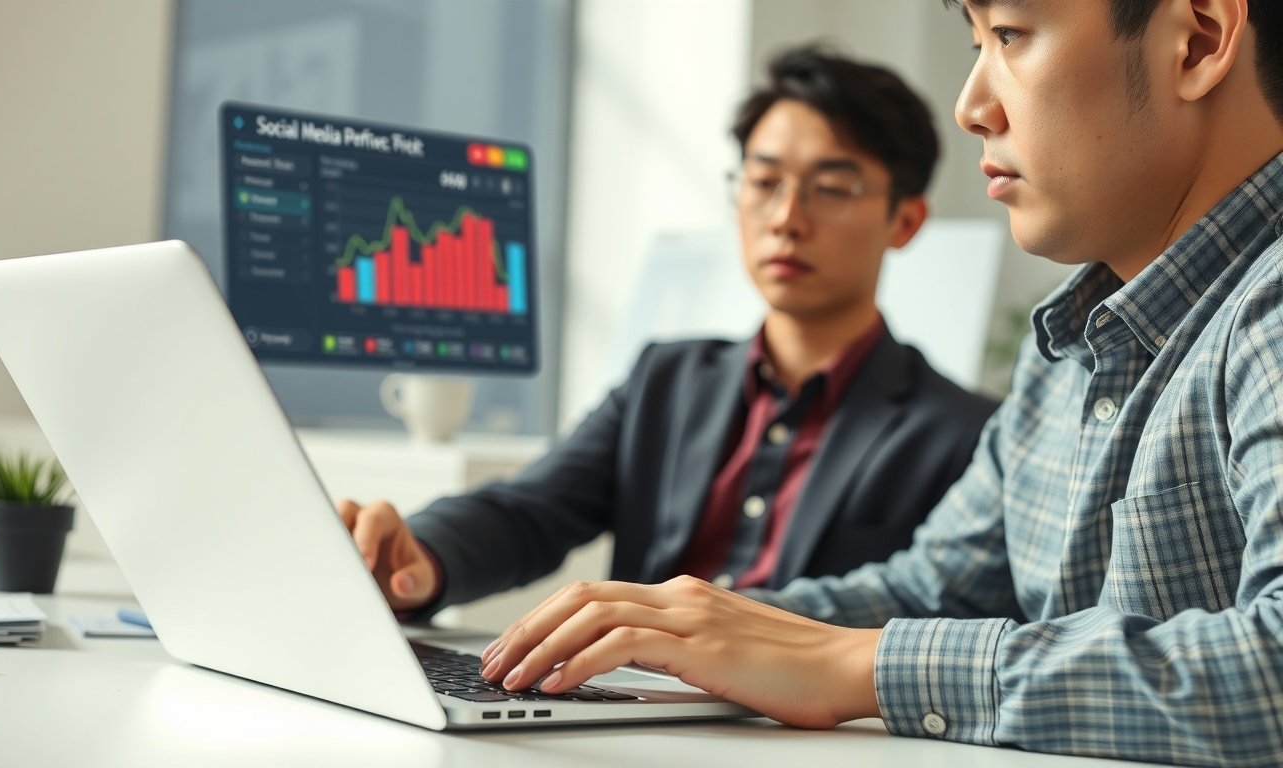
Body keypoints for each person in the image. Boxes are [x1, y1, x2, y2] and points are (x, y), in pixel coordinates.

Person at [478, 1, 1283, 765]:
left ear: (1198, 41)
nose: (971, 107)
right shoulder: (1062, 352)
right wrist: (688, 627)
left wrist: (856, 665)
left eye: (1010, 34)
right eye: (976, 43)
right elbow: (935, 588)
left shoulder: (1267, 311)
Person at [339, 47, 997, 619]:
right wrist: (419, 554)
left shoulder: (962, 433)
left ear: (905, 220)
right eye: (764, 182)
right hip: (631, 700)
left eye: (830, 188)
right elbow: (531, 511)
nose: (786, 218)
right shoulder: (666, 380)